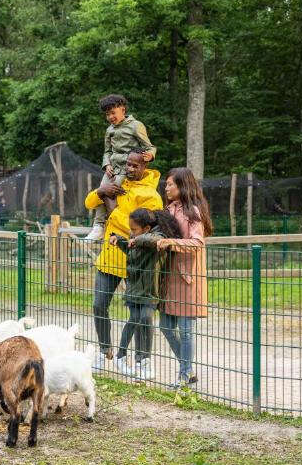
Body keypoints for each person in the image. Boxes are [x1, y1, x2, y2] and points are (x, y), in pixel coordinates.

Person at [83, 152, 163, 370]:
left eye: (134, 165)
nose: (129, 168)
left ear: (144, 165)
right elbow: (89, 203)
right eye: (127, 164)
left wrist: (112, 208)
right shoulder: (119, 182)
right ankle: (104, 350)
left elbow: (135, 226)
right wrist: (101, 191)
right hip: (110, 258)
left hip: (136, 262)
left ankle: (142, 359)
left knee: (141, 314)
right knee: (99, 305)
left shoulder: (151, 196)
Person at [108, 208, 181, 380]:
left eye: (134, 229)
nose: (132, 234)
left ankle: (144, 361)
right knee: (134, 321)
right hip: (134, 290)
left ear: (147, 228)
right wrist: (118, 239)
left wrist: (137, 239)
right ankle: (121, 356)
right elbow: (130, 249)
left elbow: (155, 240)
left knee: (146, 321)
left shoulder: (158, 238)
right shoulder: (137, 240)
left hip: (149, 291)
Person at [156, 167, 212, 387]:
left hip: (188, 278)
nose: (166, 187)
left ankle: (184, 374)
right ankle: (187, 369)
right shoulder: (168, 210)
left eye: (170, 184)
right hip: (168, 277)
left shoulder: (193, 212)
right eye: (167, 184)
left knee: (186, 331)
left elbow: (198, 243)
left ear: (182, 186)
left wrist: (172, 243)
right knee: (166, 327)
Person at [85, 94, 156, 240]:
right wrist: (107, 164)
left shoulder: (136, 125)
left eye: (113, 113)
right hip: (112, 169)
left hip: (127, 169)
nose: (110, 117)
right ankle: (98, 226)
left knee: (111, 192)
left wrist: (151, 155)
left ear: (122, 110)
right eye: (107, 114)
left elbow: (149, 146)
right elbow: (107, 151)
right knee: (100, 191)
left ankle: (114, 224)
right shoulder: (109, 130)